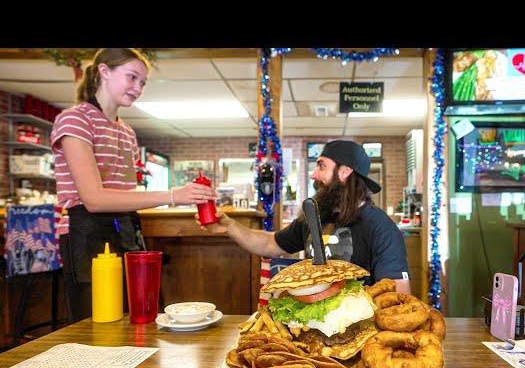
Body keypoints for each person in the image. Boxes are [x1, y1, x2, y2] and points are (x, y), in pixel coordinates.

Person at [51, 48, 215, 322]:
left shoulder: (127, 133)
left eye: (142, 82)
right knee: (96, 325)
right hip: (85, 233)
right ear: (104, 71)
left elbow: (125, 195)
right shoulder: (75, 120)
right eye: (132, 77)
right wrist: (174, 195)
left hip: (124, 230)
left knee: (134, 320)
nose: (137, 87)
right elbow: (93, 199)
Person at [199, 140, 411, 294]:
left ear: (345, 171)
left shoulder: (381, 227)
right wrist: (230, 228)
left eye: (321, 165)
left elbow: (397, 296)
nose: (313, 174)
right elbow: (272, 243)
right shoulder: (315, 217)